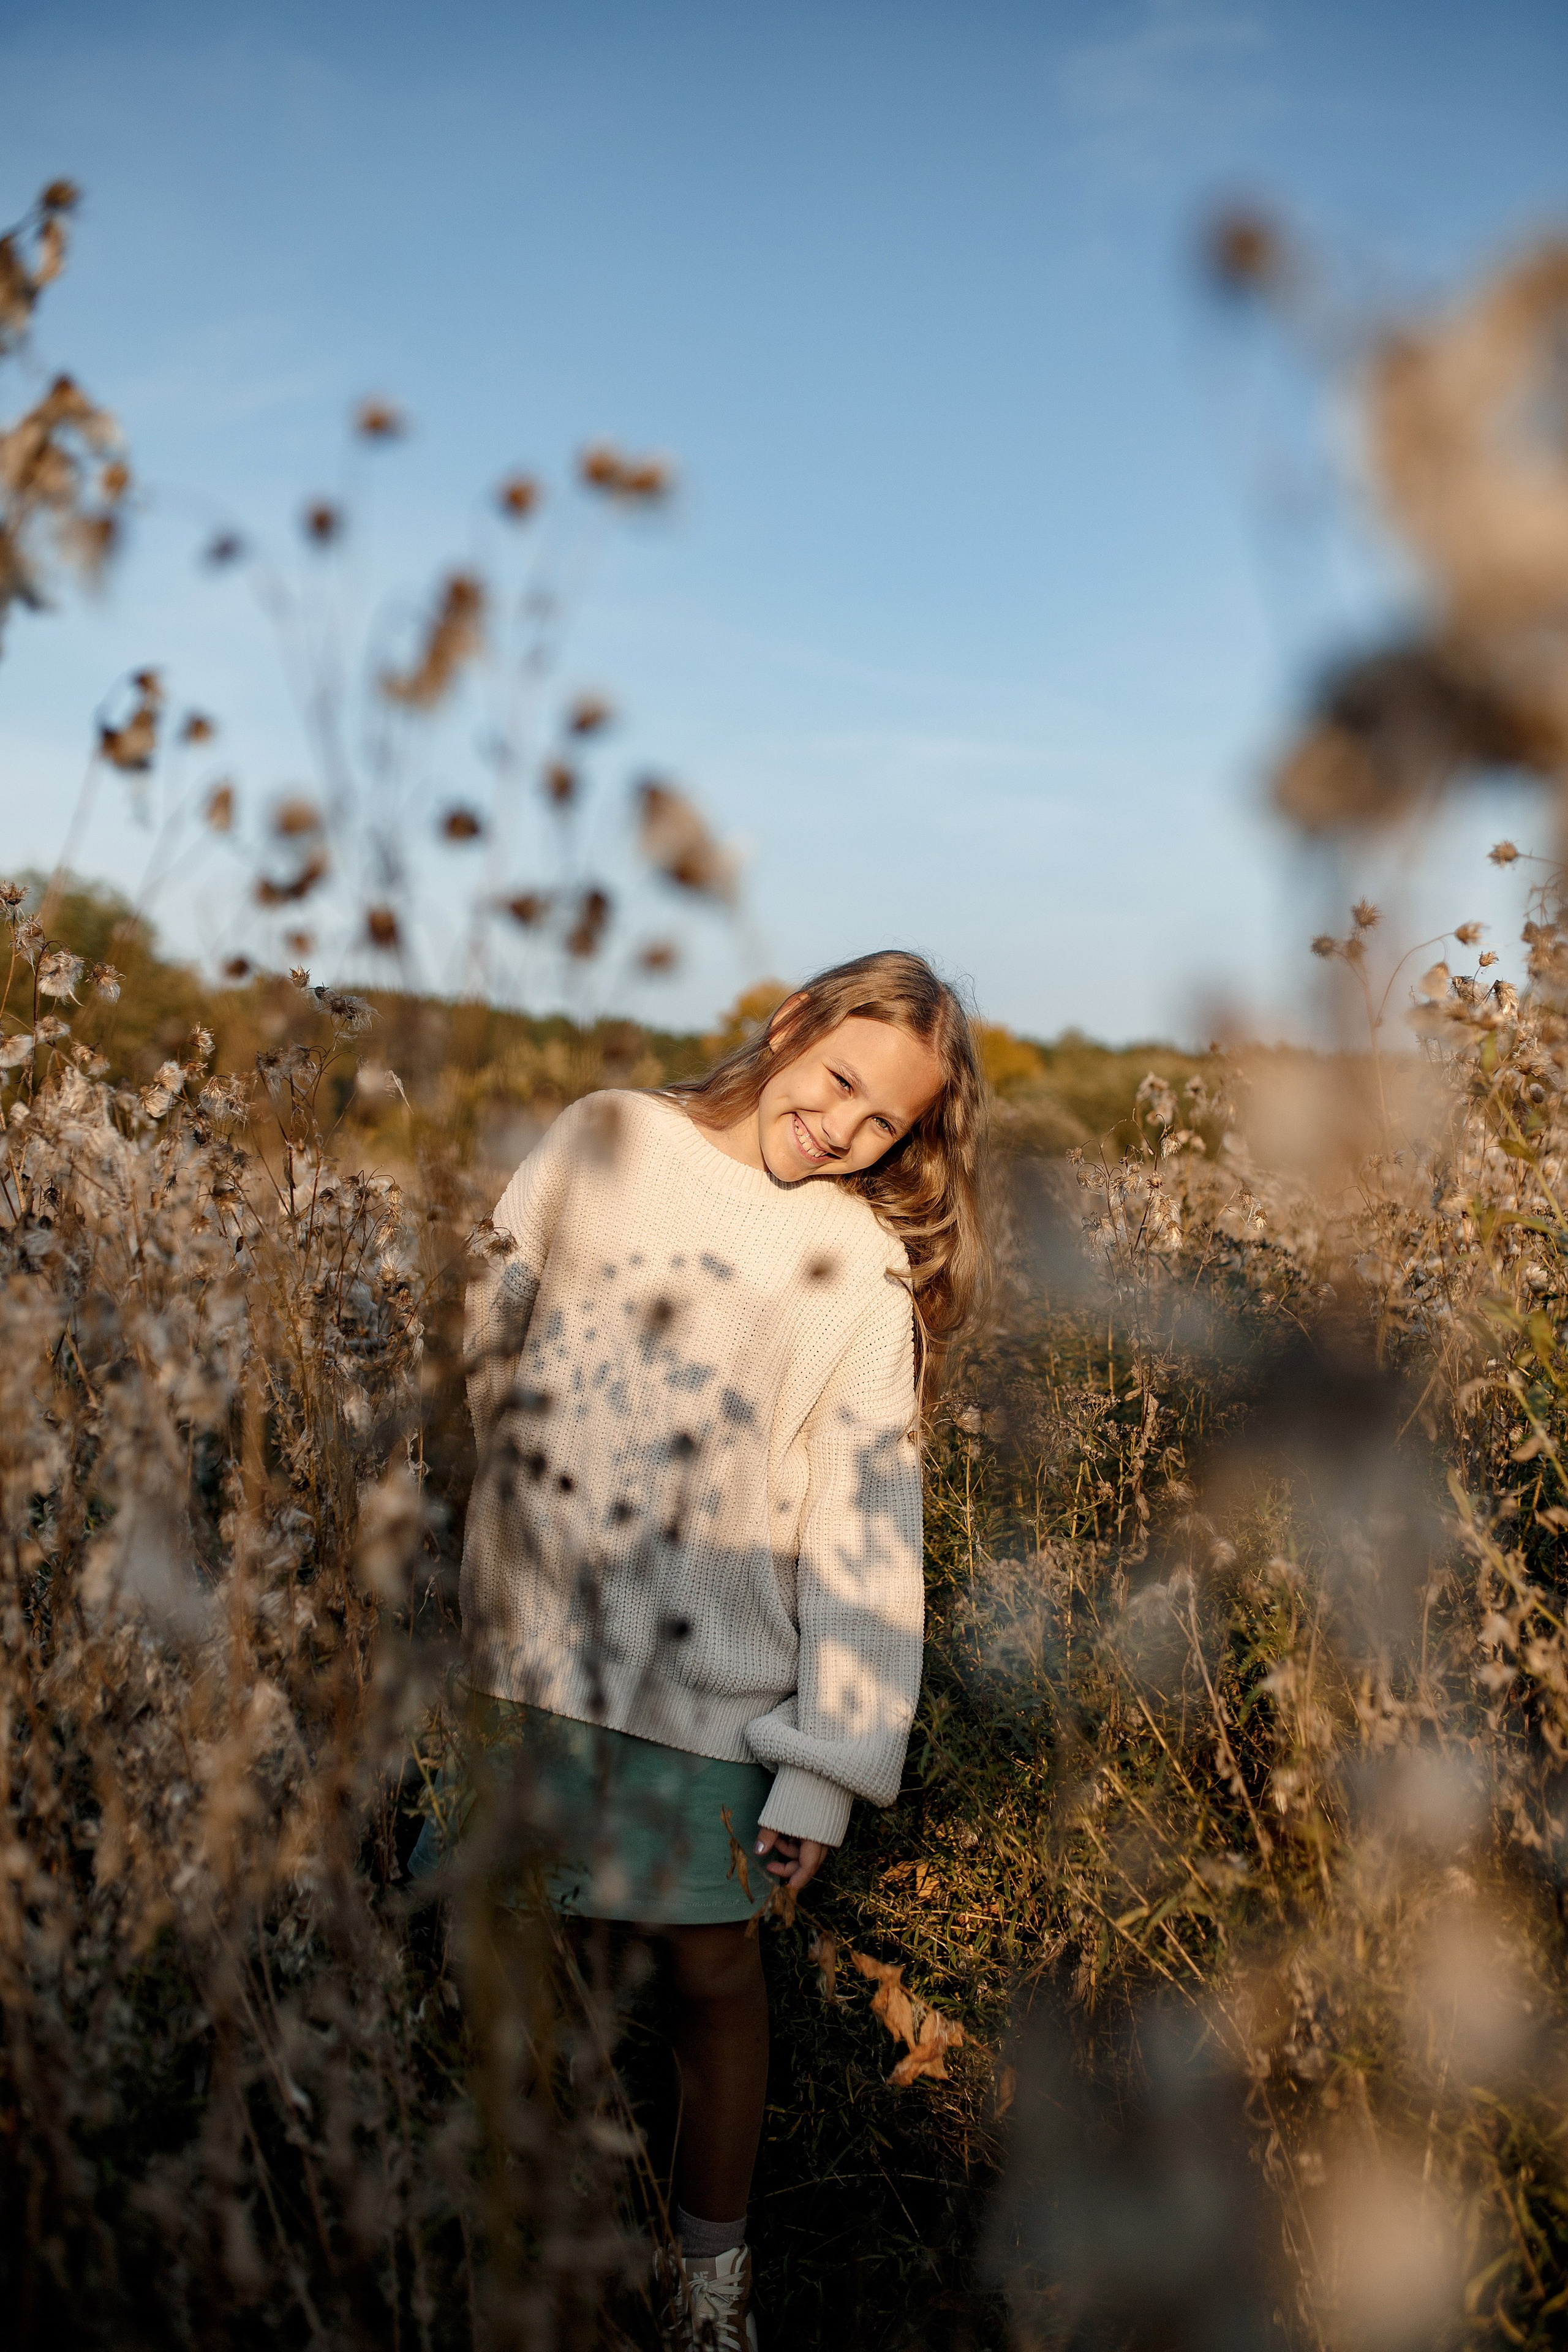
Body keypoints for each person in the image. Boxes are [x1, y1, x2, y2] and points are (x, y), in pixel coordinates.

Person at [457, 949, 989, 2350]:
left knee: (707, 1975)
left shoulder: (854, 1270)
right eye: (837, 1080)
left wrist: (823, 1769)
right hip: (530, 1654)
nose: (841, 1126)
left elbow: (864, 1531)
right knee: (520, 1956)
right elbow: (487, 1326)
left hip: (712, 1692)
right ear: (790, 1022)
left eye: (881, 1121)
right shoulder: (606, 1138)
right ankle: (517, 2237)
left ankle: (709, 2284)